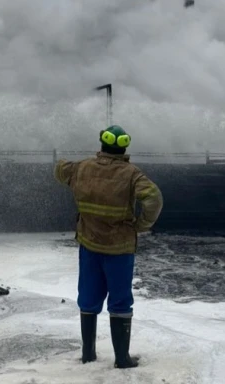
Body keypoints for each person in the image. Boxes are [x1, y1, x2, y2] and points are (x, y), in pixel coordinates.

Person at [53, 125, 163, 369]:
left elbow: (60, 169)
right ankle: (122, 359)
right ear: (124, 146)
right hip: (119, 249)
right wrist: (141, 224)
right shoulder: (132, 174)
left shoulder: (81, 168)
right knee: (120, 301)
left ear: (101, 145)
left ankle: (88, 354)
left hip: (89, 244)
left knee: (88, 298)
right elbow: (154, 198)